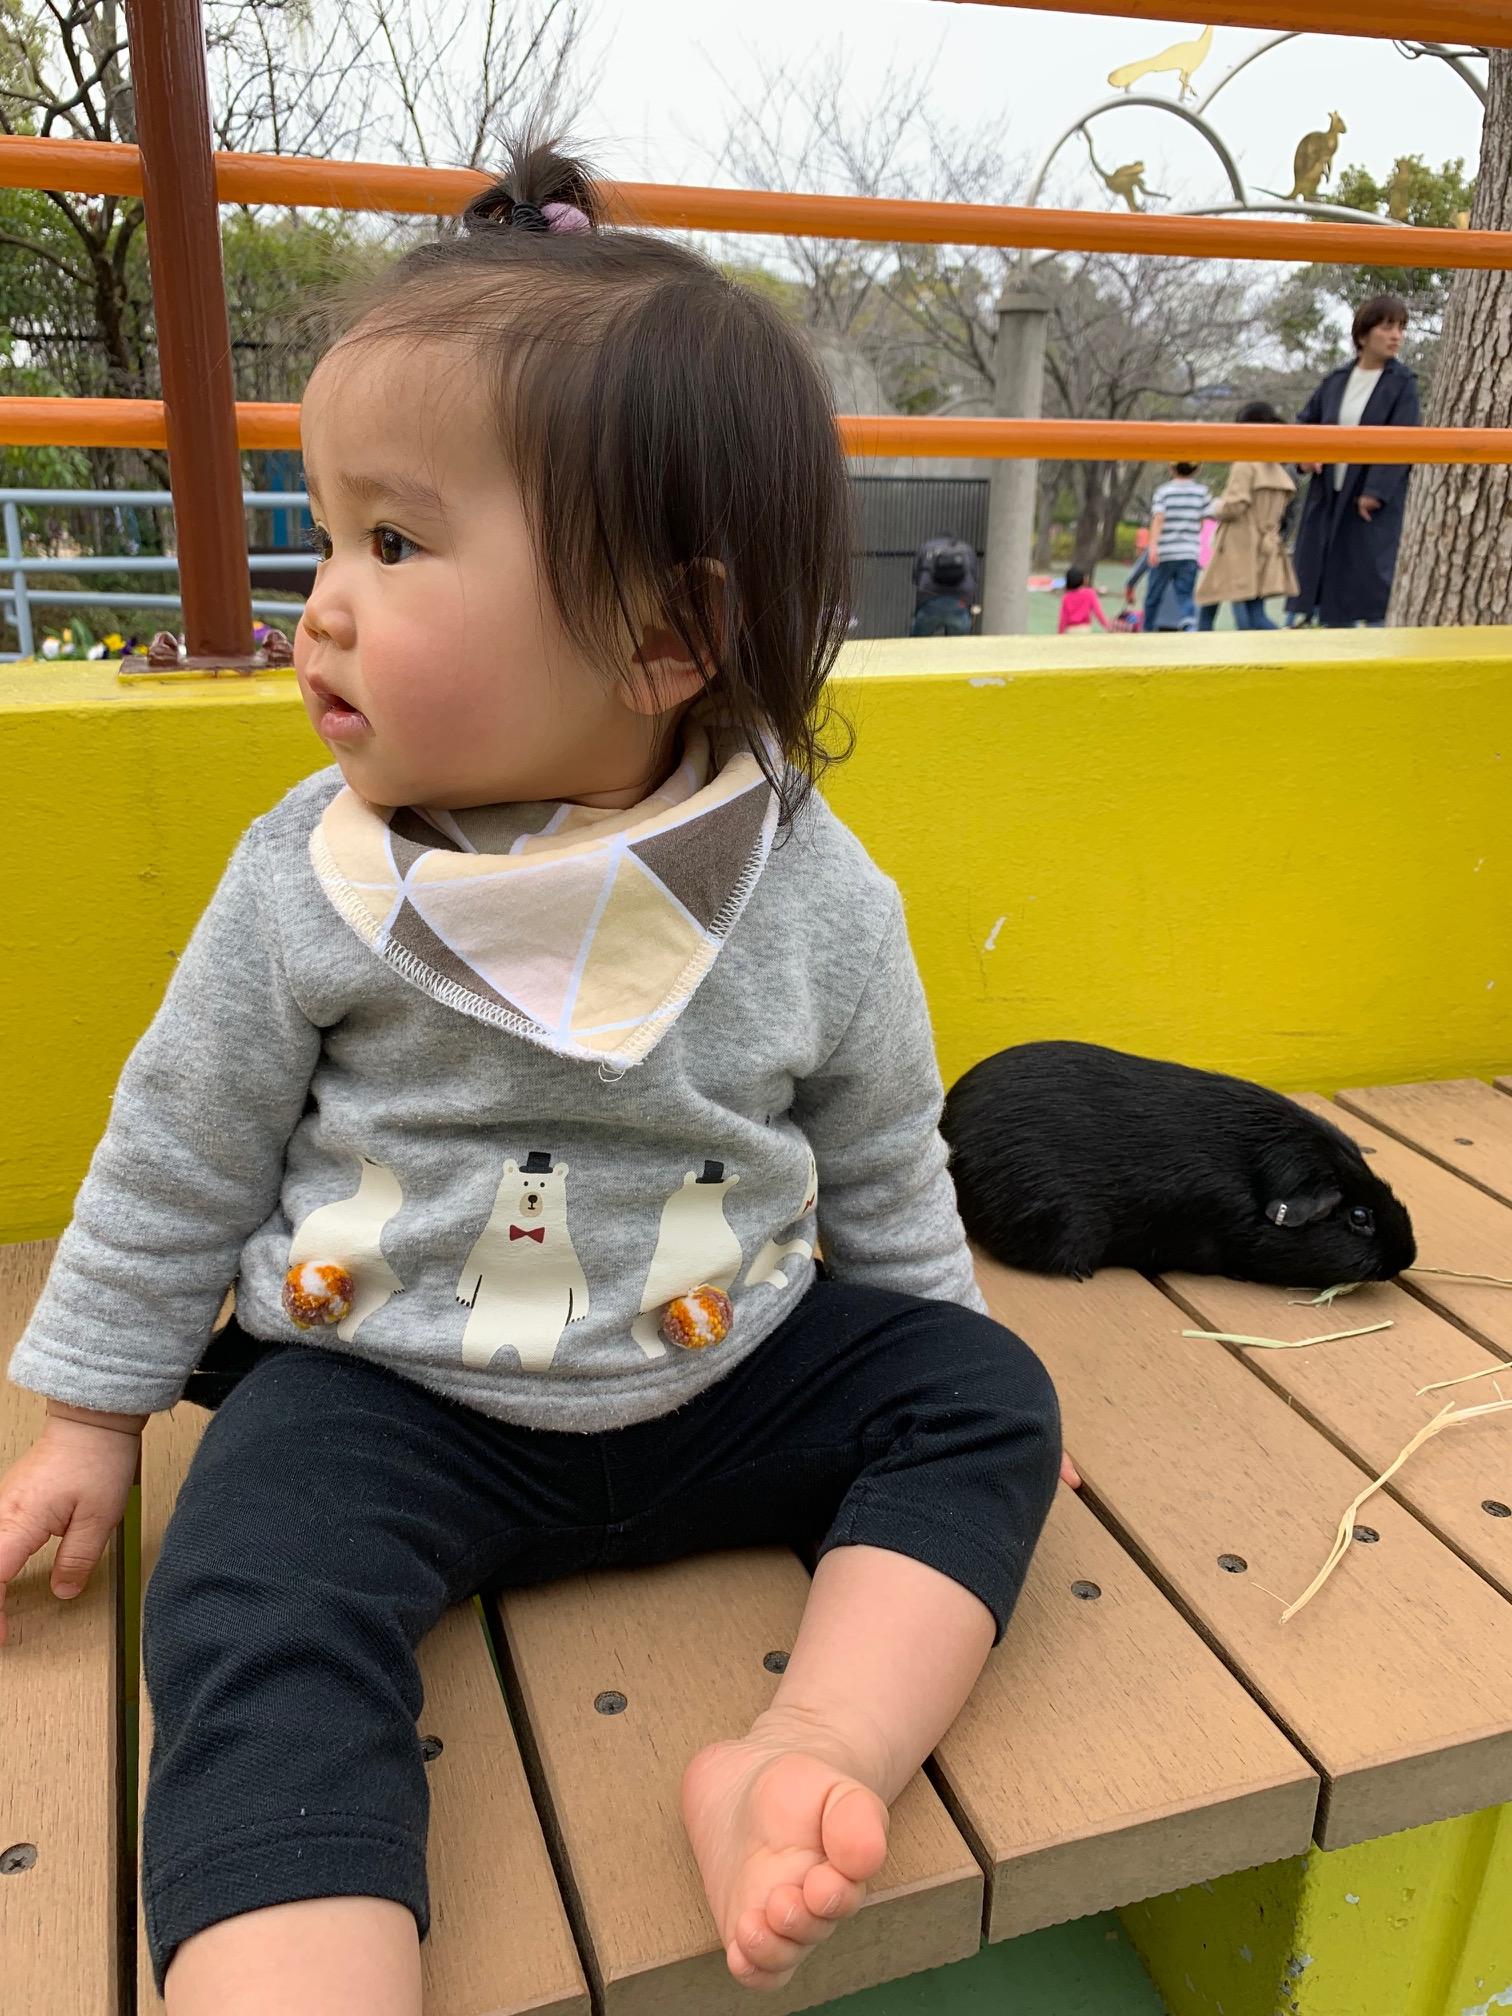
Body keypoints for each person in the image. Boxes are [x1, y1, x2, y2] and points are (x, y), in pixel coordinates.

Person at [0, 132, 1062, 2014]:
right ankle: (298, 1966)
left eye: (396, 545)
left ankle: (804, 1751)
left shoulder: (804, 886)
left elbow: (884, 1146)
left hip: (722, 1366)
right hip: (390, 1391)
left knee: (981, 1395)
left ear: (665, 637)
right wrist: (88, 1418)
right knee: (242, 1576)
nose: (323, 602)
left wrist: (915, 1338)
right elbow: (183, 1145)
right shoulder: (314, 877)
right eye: (328, 533)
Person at [1287, 294, 1420, 628]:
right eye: (1387, 327)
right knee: (1326, 584)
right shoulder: (1336, 380)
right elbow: (1305, 424)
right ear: (1363, 334)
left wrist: (1375, 492)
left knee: (1370, 588)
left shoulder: (1403, 383)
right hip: (1328, 496)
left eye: (1401, 328)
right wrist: (1305, 458)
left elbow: (1403, 442)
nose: (1396, 336)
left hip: (1368, 503)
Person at [1195, 401, 1300, 630]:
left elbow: (1235, 506)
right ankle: (1281, 642)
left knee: (1214, 606)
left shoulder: (1245, 464)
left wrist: (1215, 507)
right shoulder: (1278, 468)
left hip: (1237, 544)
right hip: (1266, 544)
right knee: (1252, 609)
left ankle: (1286, 644)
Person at [1143, 461, 1213, 631]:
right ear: (1197, 468)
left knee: (1154, 595)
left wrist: (1153, 546)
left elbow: (1158, 519)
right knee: (1185, 594)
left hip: (1165, 552)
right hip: (1189, 552)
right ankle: (1189, 625)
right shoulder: (1202, 492)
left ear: (1171, 467)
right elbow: (1203, 520)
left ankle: (1147, 628)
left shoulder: (1163, 492)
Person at [910, 530, 978, 635]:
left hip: (929, 600)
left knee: (918, 640)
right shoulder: (967, 549)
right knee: (958, 643)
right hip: (960, 602)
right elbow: (974, 577)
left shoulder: (926, 547)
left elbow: (915, 576)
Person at [1057, 564, 1112, 633]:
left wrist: (1060, 632)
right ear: (1082, 580)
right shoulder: (1090, 593)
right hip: (1085, 629)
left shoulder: (1066, 596)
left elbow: (1063, 617)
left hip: (1070, 629)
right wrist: (1108, 627)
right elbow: (1098, 612)